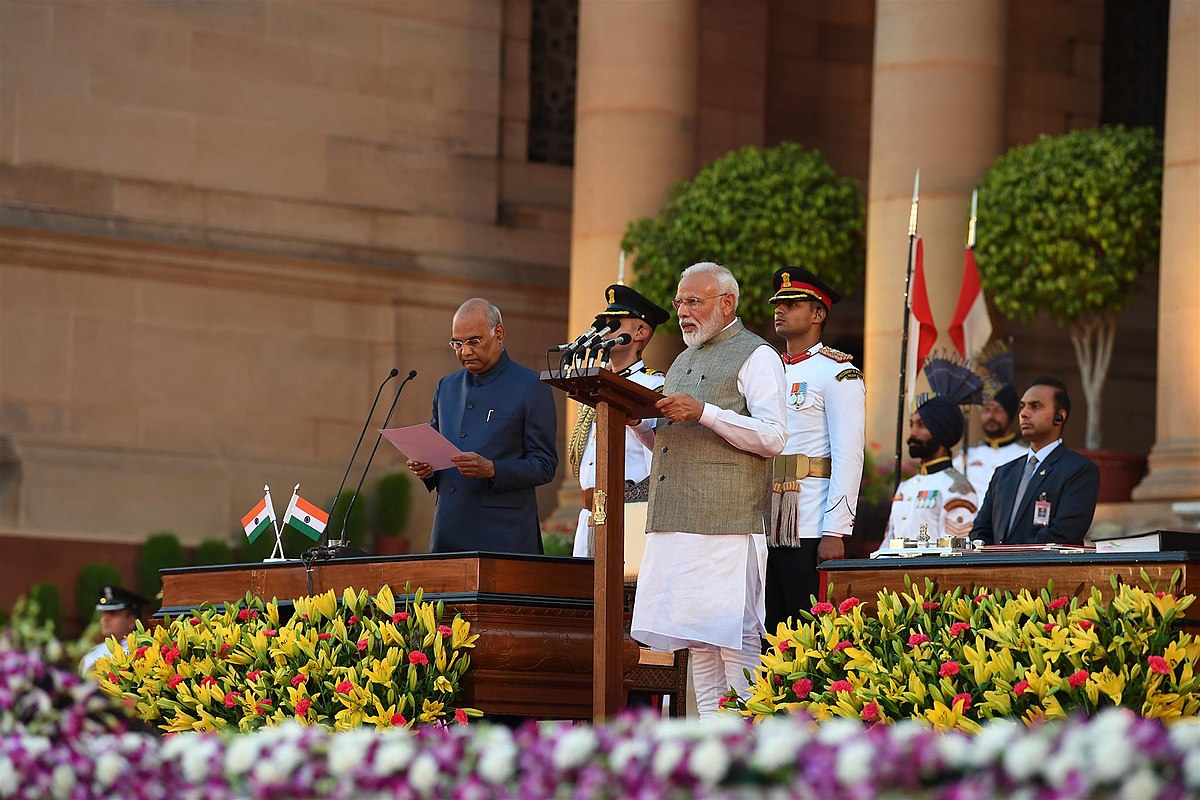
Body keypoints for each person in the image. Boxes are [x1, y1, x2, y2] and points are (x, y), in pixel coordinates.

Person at [628, 262, 787, 718]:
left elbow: (774, 436)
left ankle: (749, 747)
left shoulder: (757, 355)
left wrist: (705, 412)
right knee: (699, 643)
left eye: (693, 301)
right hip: (677, 518)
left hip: (726, 524)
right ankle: (712, 749)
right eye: (680, 302)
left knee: (734, 640)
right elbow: (674, 443)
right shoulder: (682, 360)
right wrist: (641, 427)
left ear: (727, 303)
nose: (682, 311)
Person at [407, 298, 558, 554]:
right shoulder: (447, 387)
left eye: (473, 341)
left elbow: (544, 465)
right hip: (449, 531)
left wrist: (492, 469)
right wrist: (426, 468)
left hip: (502, 537)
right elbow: (438, 451)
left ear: (498, 333)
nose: (464, 352)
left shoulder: (531, 386)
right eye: (457, 343)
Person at [765, 267, 864, 632]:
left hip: (809, 520)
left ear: (818, 314)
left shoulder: (838, 373)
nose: (780, 310)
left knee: (808, 632)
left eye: (792, 304)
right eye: (778, 303)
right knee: (769, 631)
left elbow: (849, 455)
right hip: (765, 518)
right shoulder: (767, 369)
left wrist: (835, 530)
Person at [568, 284, 669, 559]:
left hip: (631, 512)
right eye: (603, 322)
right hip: (589, 513)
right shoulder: (594, 387)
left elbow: (664, 455)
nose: (605, 330)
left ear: (640, 332)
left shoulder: (654, 387)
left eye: (614, 323)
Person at [970, 377, 1101, 545]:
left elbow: (1063, 536)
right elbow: (980, 530)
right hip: (995, 569)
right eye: (1022, 406)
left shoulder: (1078, 470)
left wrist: (1009, 557)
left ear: (1059, 416)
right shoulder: (1004, 473)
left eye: (1035, 406)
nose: (1024, 413)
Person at [880, 353, 981, 548]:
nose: (912, 433)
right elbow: (888, 544)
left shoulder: (958, 489)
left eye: (921, 426)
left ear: (940, 432)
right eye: (911, 424)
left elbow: (955, 554)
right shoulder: (906, 487)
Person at [954, 341, 1027, 494]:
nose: (991, 416)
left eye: (998, 410)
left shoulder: (1025, 455)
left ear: (1010, 414)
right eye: (987, 409)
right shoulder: (966, 456)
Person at [79, 585, 148, 678]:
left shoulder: (142, 652)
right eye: (104, 614)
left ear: (131, 620)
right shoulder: (93, 653)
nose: (105, 619)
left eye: (113, 614)